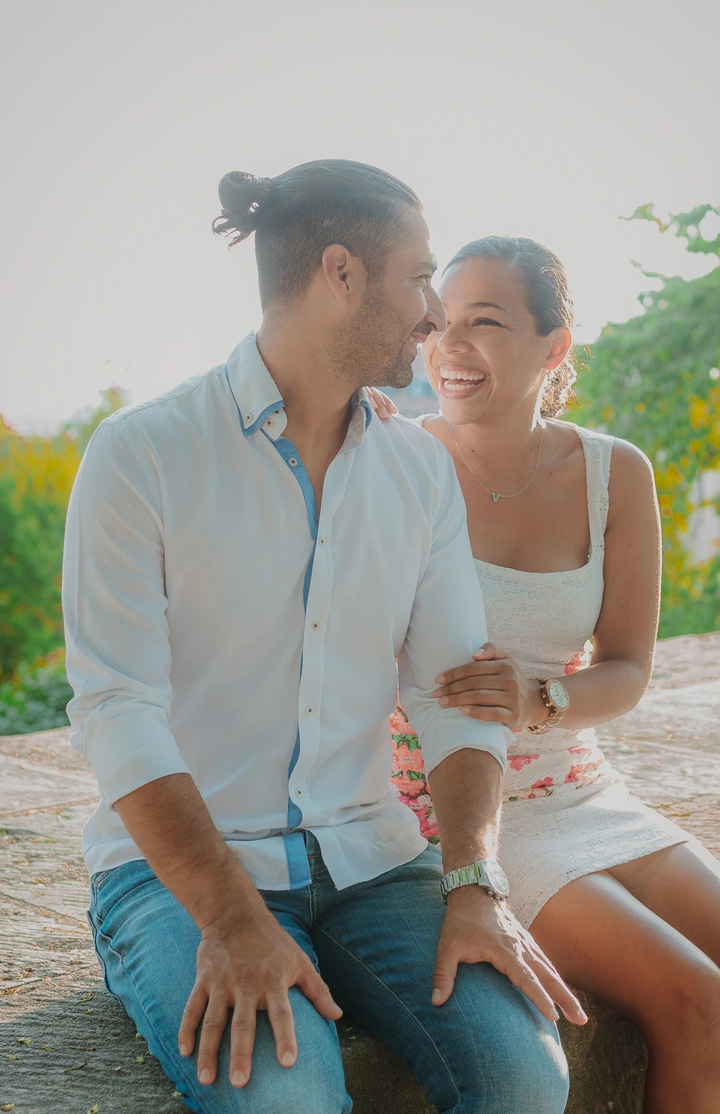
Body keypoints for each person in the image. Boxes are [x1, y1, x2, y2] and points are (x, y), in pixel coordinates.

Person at [63, 164, 583, 1114]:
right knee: (286, 1104)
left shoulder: (417, 469)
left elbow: (453, 691)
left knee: (523, 1077)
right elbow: (116, 710)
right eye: (420, 278)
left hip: (374, 865)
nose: (434, 313)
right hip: (182, 880)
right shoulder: (142, 454)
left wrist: (474, 880)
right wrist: (228, 913)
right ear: (340, 273)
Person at [385, 236, 720, 1114]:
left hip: (581, 790)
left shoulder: (615, 473)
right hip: (453, 808)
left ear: (555, 346)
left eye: (487, 322)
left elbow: (627, 668)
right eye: (443, 322)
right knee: (696, 998)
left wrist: (541, 698)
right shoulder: (395, 462)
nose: (449, 346)